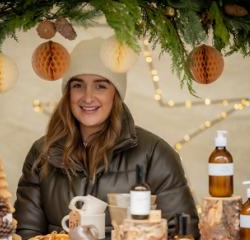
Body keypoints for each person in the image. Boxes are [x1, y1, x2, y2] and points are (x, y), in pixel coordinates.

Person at [13, 37, 200, 239]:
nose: (88, 96)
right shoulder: (43, 153)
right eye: (78, 85)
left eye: (100, 86)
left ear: (116, 93)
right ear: (68, 92)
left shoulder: (155, 154)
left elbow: (184, 233)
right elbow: (26, 231)